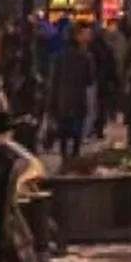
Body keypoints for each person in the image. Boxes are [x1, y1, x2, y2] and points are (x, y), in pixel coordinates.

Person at [47, 18, 99, 166]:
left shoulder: (59, 57)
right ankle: (74, 158)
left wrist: (50, 104)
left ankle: (65, 158)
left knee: (64, 132)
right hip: (78, 99)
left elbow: (54, 81)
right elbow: (89, 79)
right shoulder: (85, 57)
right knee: (76, 133)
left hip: (62, 100)